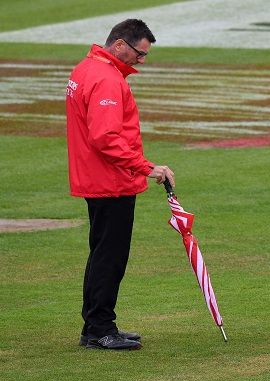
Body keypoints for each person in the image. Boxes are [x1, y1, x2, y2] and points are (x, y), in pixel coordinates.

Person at [66, 19, 175, 350]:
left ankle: (95, 324)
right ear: (119, 45)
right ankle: (101, 328)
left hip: (97, 178)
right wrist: (147, 168)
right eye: (140, 53)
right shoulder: (106, 79)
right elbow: (105, 138)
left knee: (102, 252)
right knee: (109, 256)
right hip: (110, 181)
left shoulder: (86, 68)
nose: (141, 61)